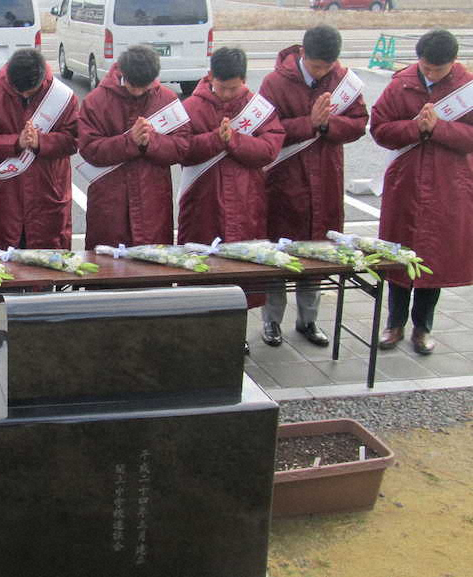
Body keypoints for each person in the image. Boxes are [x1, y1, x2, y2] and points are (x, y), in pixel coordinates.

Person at [258, 24, 369, 349]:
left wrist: (328, 124)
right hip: (284, 181)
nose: (322, 72)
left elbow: (360, 123)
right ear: (302, 53)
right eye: (317, 66)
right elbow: (266, 128)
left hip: (326, 178)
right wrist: (309, 122)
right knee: (279, 255)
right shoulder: (275, 82)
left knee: (319, 255)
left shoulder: (343, 81)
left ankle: (308, 321)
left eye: (328, 67)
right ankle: (271, 322)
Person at [371, 29, 473, 355]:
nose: (429, 74)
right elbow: (380, 129)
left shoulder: (466, 89)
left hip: (448, 185)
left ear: (452, 63)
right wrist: (416, 127)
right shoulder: (401, 83)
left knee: (434, 258)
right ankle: (394, 323)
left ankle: (423, 327)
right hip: (405, 182)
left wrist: (439, 128)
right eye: (425, 67)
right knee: (399, 257)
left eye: (436, 70)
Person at [179, 48, 284, 353]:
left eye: (233, 88)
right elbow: (181, 150)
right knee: (203, 268)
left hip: (245, 199)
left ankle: (237, 334)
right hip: (202, 199)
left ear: (244, 80)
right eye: (220, 87)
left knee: (242, 268)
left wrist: (234, 140)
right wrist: (216, 139)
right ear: (210, 77)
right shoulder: (192, 106)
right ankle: (201, 333)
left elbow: (269, 149)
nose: (226, 94)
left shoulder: (259, 108)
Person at [77, 45, 191, 249]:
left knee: (152, 266)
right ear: (122, 73)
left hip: (152, 199)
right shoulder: (96, 101)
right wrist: (130, 141)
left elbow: (182, 147)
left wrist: (151, 141)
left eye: (144, 87)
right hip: (110, 201)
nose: (138, 92)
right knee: (108, 269)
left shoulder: (167, 100)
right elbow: (89, 149)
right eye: (132, 85)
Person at [0, 48, 79, 250]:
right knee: (4, 258)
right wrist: (16, 143)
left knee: (47, 256)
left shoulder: (62, 97)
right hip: (6, 191)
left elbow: (74, 139)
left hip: (48, 188)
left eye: (29, 91)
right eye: (18, 91)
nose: (23, 94)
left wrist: (42, 142)